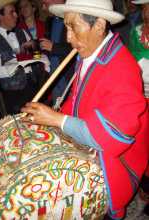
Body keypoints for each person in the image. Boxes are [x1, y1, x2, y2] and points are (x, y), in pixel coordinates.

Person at [21, 0, 149, 219]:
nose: (69, 37)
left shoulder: (122, 69)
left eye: (74, 27)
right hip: (88, 151)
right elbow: (77, 101)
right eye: (67, 27)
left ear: (99, 25)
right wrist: (48, 115)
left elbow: (114, 138)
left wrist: (57, 120)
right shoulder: (90, 54)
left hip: (113, 167)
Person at [0, 0, 49, 114]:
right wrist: (16, 65)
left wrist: (35, 49)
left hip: (34, 85)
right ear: (0, 16)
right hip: (14, 95)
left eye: (15, 11)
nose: (16, 15)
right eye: (12, 12)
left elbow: (36, 54)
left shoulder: (23, 32)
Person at [129, 0, 149, 217]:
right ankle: (143, 193)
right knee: (142, 144)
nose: (146, 11)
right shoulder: (136, 31)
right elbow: (132, 62)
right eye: (144, 7)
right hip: (142, 97)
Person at [39, 0, 76, 105]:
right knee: (57, 109)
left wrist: (54, 47)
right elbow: (47, 43)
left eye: (45, 3)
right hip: (54, 77)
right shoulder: (49, 21)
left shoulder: (73, 17)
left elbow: (77, 47)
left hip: (69, 76)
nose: (43, 8)